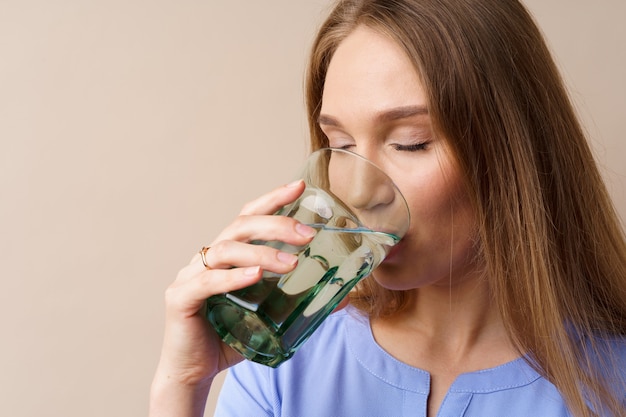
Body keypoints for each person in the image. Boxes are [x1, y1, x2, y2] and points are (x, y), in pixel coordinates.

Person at [149, 0, 626, 416]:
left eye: (409, 143)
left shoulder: (612, 382)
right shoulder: (285, 365)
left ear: (509, 152)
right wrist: (182, 386)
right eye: (340, 143)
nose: (357, 192)